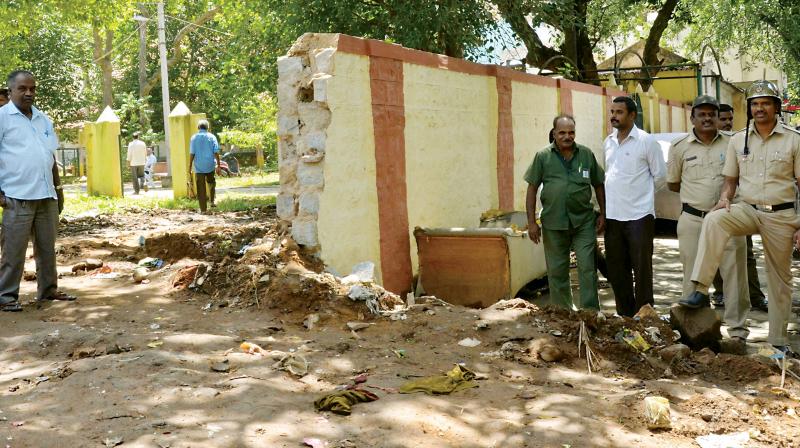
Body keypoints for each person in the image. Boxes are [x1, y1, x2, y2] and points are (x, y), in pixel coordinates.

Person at [679, 80, 800, 356]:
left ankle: (778, 340)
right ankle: (700, 289)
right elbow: (730, 181)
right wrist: (724, 199)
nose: (759, 108)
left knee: (779, 279)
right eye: (755, 104)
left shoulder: (793, 139)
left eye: (765, 103)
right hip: (748, 208)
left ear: (776, 108)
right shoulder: (738, 139)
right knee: (715, 219)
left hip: (781, 215)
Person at [667, 95, 749, 353]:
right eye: (700, 114)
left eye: (711, 114)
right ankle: (694, 335)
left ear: (717, 117)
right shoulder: (679, 147)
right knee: (692, 279)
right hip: (693, 219)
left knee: (735, 275)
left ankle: (738, 334)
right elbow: (673, 183)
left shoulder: (734, 143)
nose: (706, 118)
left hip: (728, 219)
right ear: (692, 118)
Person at [0, 70, 76, 312]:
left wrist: (59, 189)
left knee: (46, 248)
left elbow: (49, 155)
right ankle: (6, 296)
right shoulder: (2, 118)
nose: (29, 93)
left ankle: (48, 290)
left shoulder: (43, 119)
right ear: (10, 91)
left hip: (46, 195)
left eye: (32, 88)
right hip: (16, 196)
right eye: (22, 89)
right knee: (13, 252)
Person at [526, 115, 606, 310]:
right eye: (562, 132)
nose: (567, 136)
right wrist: (531, 222)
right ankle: (563, 313)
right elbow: (532, 189)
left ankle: (590, 313)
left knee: (587, 268)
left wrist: (604, 214)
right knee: (557, 271)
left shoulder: (586, 154)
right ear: (554, 133)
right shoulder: (542, 156)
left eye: (571, 132)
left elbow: (598, 184)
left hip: (583, 222)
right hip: (554, 223)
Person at [603, 96, 666, 317]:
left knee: (641, 271)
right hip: (613, 216)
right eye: (612, 112)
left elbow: (660, 177)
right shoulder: (608, 142)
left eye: (619, 112)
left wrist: (642, 198)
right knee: (617, 271)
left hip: (639, 216)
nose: (614, 116)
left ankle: (645, 317)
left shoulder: (646, 141)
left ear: (632, 115)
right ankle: (625, 316)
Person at [711, 103, 769, 312]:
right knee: (715, 253)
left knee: (747, 256)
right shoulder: (710, 143)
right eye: (723, 119)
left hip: (739, 207)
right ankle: (720, 293)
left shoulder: (742, 141)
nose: (727, 123)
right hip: (714, 210)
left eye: (729, 119)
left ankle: (755, 297)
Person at [189, 119, 220, 213]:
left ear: (198, 127)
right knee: (211, 181)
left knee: (200, 187)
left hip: (198, 167)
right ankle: (212, 201)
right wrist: (219, 165)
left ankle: (203, 209)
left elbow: (192, 153)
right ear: (208, 127)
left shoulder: (194, 138)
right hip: (210, 165)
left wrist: (189, 166)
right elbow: (216, 152)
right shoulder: (212, 137)